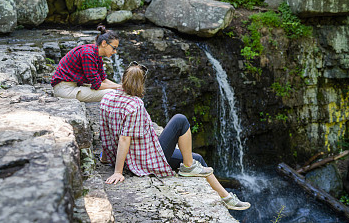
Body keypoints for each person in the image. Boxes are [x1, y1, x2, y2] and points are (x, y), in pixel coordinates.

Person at [99, 61, 251, 211]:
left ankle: (226, 198)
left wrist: (106, 157)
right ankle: (191, 168)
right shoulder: (135, 104)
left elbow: (105, 130)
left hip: (132, 154)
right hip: (141, 159)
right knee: (180, 120)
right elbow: (124, 138)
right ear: (141, 84)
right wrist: (118, 172)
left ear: (122, 79)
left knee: (196, 158)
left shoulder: (107, 98)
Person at [51, 25, 121, 102]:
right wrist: (120, 87)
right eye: (113, 48)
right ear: (104, 43)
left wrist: (121, 87)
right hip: (65, 89)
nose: (115, 51)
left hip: (75, 84)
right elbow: (97, 85)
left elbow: (103, 79)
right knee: (112, 93)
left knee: (117, 91)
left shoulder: (96, 54)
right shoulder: (88, 54)